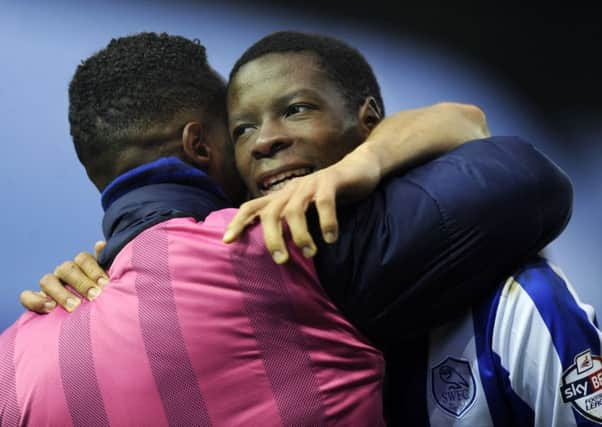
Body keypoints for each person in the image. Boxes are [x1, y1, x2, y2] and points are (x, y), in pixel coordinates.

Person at [9, 31, 573, 426]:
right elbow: (522, 171)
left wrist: (360, 166)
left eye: (296, 109)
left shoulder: (16, 358)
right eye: (241, 128)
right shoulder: (270, 252)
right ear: (203, 147)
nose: (263, 141)